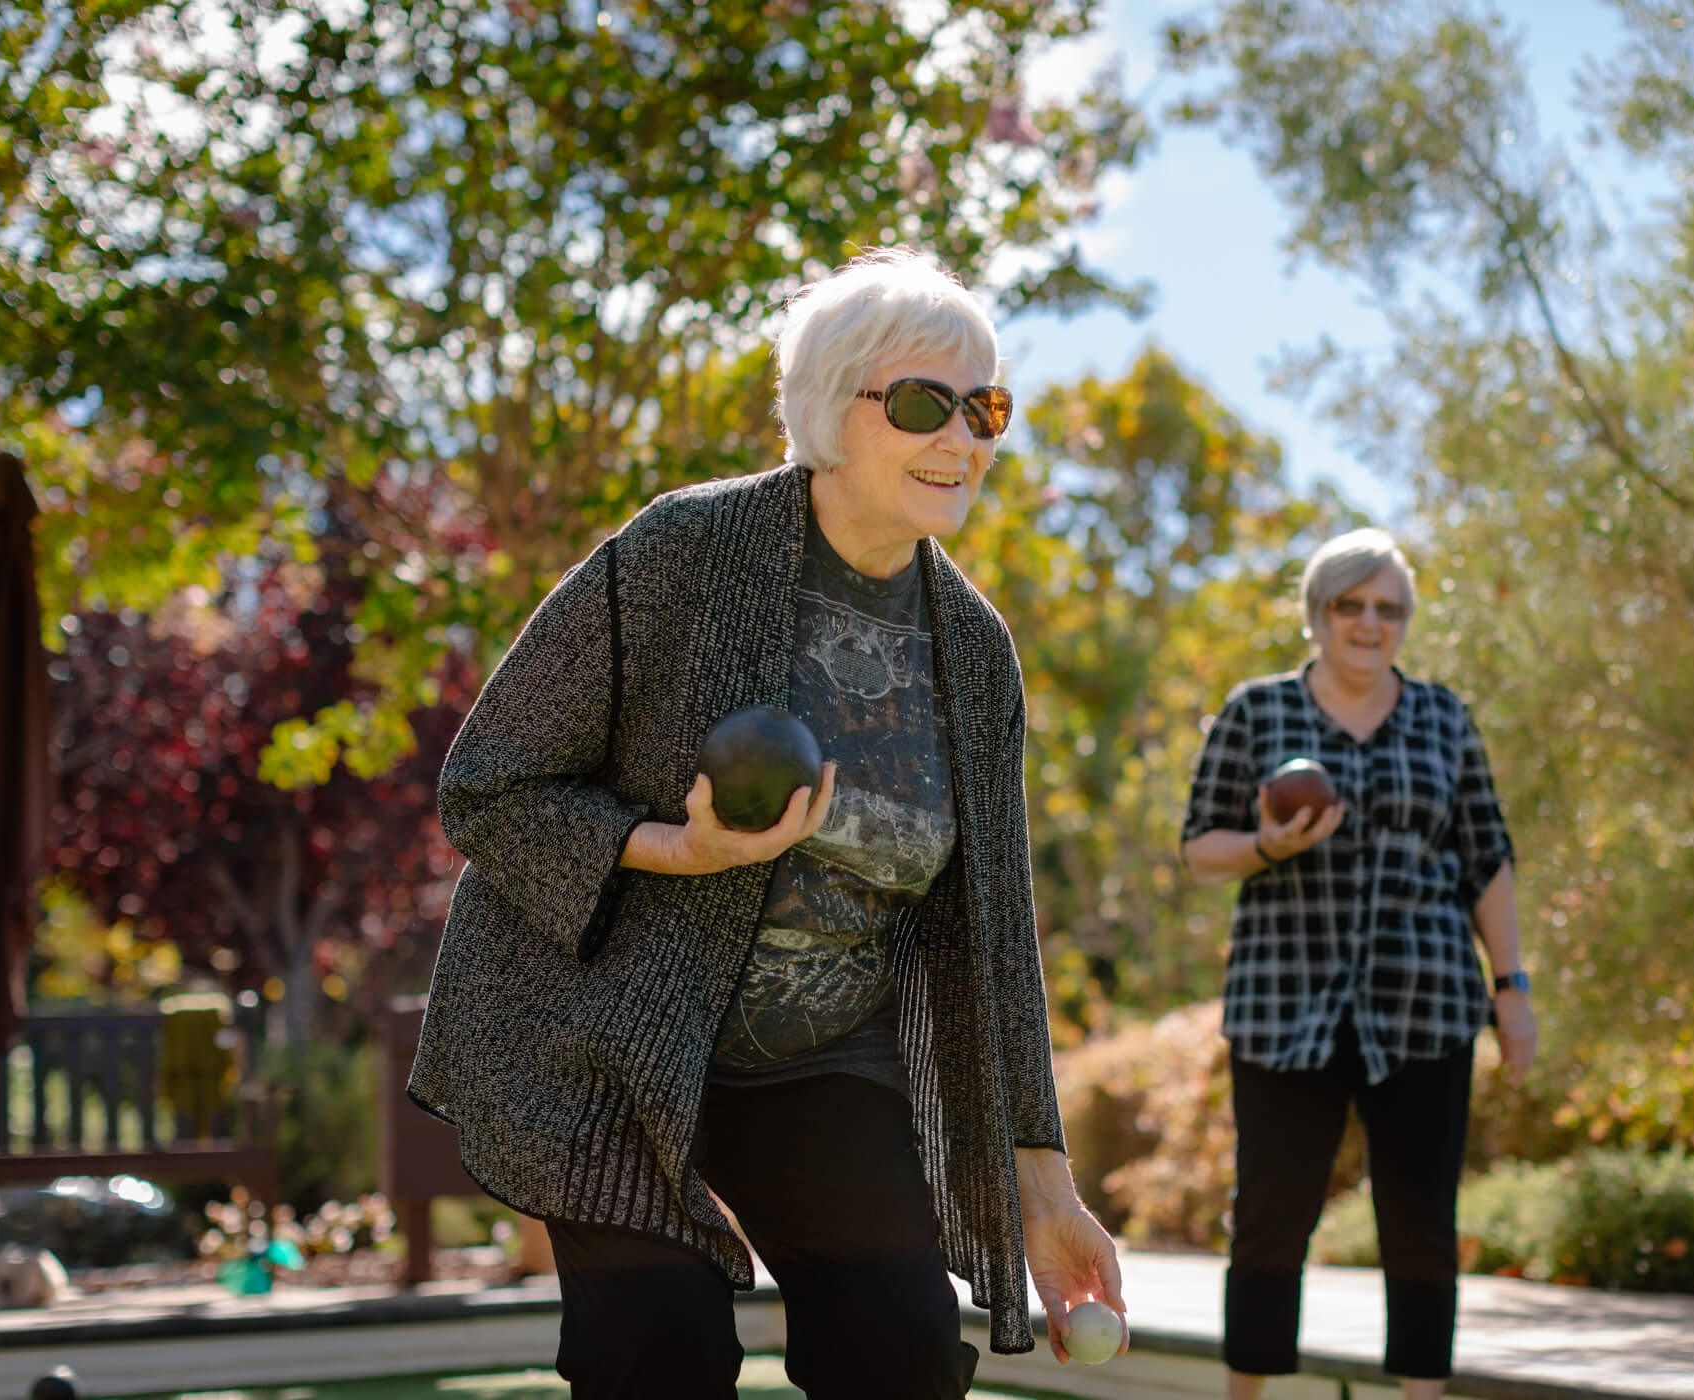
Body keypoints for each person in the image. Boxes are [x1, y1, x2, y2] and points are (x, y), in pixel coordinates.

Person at [410, 247, 1126, 1399]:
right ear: (827, 410)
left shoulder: (974, 649)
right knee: (659, 1347)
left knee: (897, 1348)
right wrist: (673, 849)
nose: (963, 439)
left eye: (984, 408)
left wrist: (1045, 1189)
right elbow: (490, 780)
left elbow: (993, 931)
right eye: (922, 404)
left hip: (816, 1056)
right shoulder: (682, 552)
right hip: (614, 1020)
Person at [1179, 529, 1537, 1400]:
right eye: (1352, 606)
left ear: (1405, 622)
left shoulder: (1444, 717)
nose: (1371, 624)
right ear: (1318, 615)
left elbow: (1486, 858)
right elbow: (1199, 849)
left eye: (1389, 608)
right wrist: (1266, 844)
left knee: (1420, 1226)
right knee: (1269, 1223)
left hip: (1428, 1003)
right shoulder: (1256, 712)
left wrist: (1513, 988)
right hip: (1283, 1005)